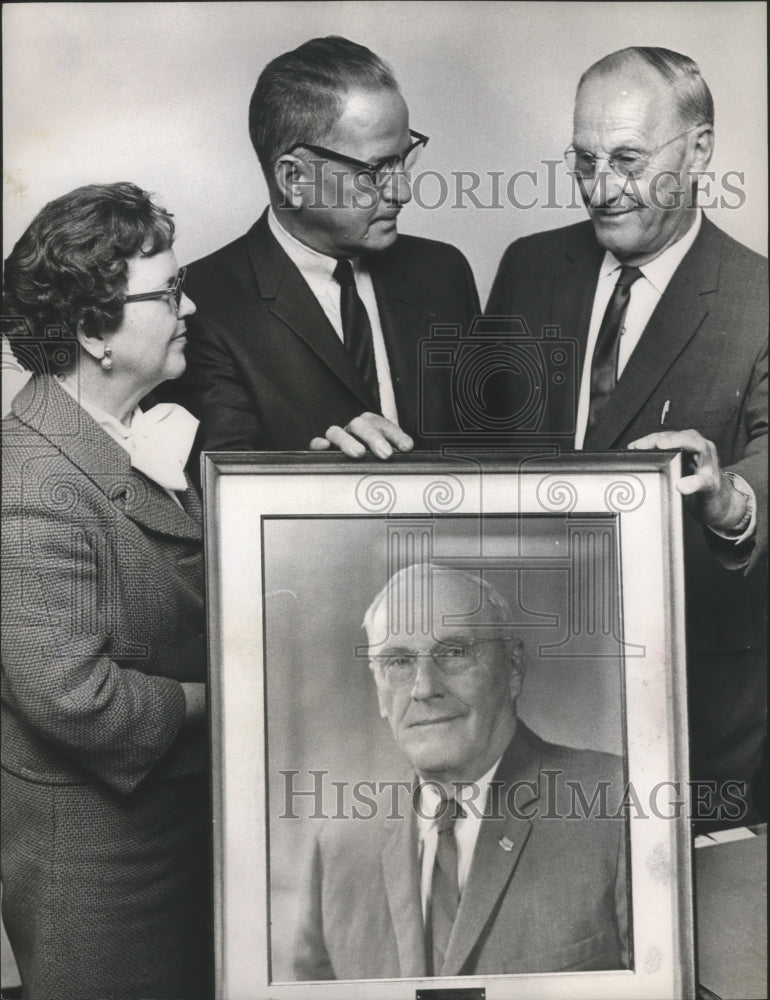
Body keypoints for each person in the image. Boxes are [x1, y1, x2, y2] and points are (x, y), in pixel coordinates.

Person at [486, 47, 767, 824]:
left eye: (628, 160)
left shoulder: (760, 299)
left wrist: (730, 498)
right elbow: (478, 454)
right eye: (583, 160)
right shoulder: (529, 267)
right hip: (533, 693)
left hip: (695, 702)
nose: (601, 190)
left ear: (701, 148)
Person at [1, 183, 211, 999]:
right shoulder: (27, 481)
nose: (188, 308)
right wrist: (221, 700)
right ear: (95, 331)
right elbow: (74, 700)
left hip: (166, 844)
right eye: (169, 293)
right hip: (100, 879)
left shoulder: (124, 438)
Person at [293, 565, 628, 979]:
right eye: (398, 661)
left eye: (454, 652)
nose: (423, 688)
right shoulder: (339, 847)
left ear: (513, 668)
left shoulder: (617, 806)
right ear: (380, 690)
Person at [164, 35, 479, 465]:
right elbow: (227, 502)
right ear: (294, 179)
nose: (403, 190)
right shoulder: (202, 305)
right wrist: (321, 478)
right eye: (376, 170)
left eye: (405, 159)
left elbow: (485, 459)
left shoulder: (443, 272)